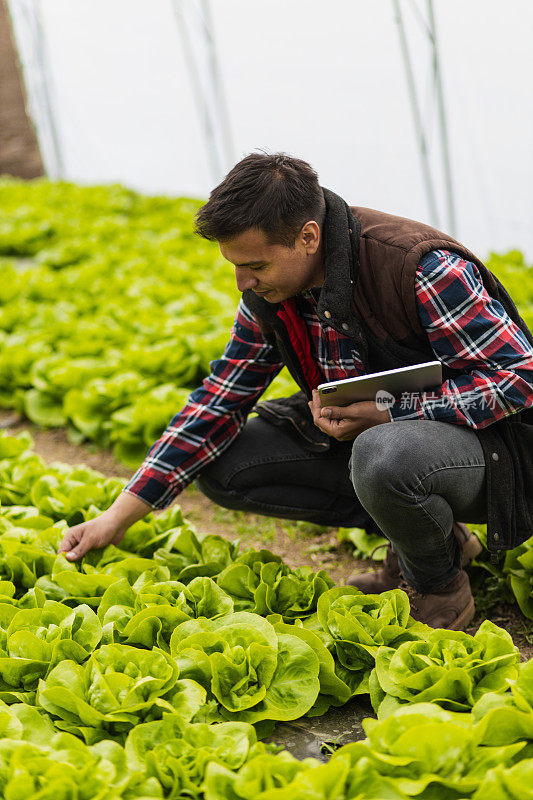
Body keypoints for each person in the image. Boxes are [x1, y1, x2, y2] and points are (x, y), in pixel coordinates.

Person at [58, 152, 533, 631]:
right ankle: (428, 541)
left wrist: (391, 410)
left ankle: (437, 586)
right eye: (236, 266)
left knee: (382, 453)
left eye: (255, 264)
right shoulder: (269, 296)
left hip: (496, 456)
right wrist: (117, 517)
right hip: (388, 444)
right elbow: (219, 400)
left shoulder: (417, 267)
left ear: (308, 236)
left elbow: (520, 377)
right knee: (224, 465)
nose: (243, 281)